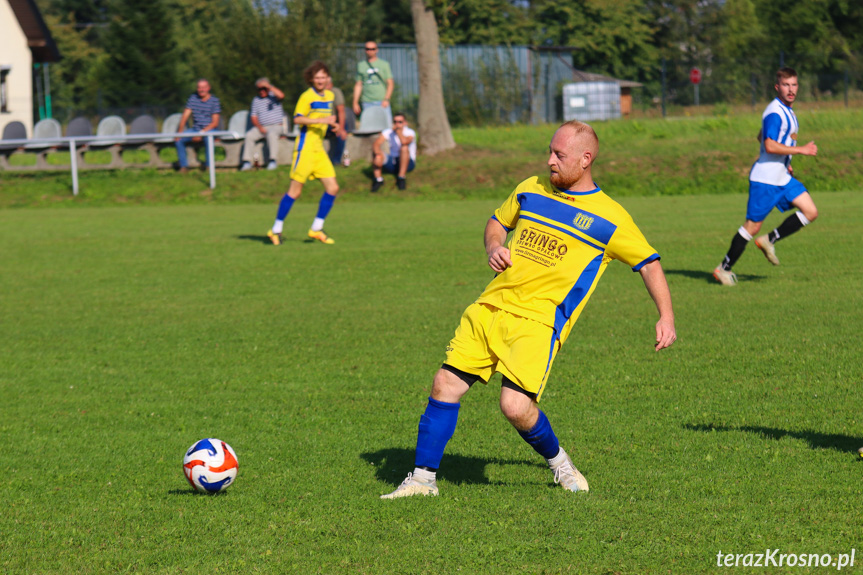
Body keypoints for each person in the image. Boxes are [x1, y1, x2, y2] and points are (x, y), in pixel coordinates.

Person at [381, 120, 677, 499]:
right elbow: (496, 222)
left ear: (586, 160)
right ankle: (422, 481)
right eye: (549, 151)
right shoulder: (530, 188)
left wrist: (665, 316)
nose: (549, 160)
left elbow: (649, 264)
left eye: (559, 155)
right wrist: (493, 247)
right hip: (491, 306)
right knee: (445, 384)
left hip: (538, 322)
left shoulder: (611, 218)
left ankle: (559, 463)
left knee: (516, 407)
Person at [713, 67, 819, 286]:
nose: (791, 90)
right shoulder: (775, 112)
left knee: (810, 211)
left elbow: (761, 136)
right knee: (752, 226)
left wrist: (786, 162)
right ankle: (723, 268)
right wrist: (801, 150)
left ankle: (769, 240)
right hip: (765, 180)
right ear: (777, 87)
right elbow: (769, 144)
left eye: (794, 85)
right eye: (786, 85)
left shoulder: (787, 111)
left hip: (782, 176)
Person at [267, 61, 339, 246]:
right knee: (295, 191)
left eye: (323, 77)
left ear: (328, 78)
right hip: (305, 149)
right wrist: (323, 119)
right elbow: (298, 119)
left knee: (333, 188)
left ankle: (316, 228)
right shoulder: (306, 96)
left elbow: (323, 120)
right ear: (311, 79)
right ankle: (275, 230)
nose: (320, 80)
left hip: (319, 149)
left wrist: (333, 125)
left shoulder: (330, 96)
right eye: (317, 77)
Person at [175, 79, 221, 173]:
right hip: (195, 129)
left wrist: (201, 133)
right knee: (179, 140)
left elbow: (215, 123)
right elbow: (185, 116)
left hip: (209, 130)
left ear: (208, 88)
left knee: (208, 139)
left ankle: (209, 166)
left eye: (203, 87)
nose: (201, 90)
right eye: (199, 87)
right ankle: (184, 166)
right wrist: (179, 132)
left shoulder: (214, 101)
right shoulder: (193, 98)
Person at [241, 78, 285, 171]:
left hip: (276, 126)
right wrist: (260, 127)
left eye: (263, 88)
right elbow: (254, 116)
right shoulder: (256, 100)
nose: (261, 91)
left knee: (271, 134)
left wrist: (268, 86)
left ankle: (273, 160)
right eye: (259, 89)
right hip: (261, 127)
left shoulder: (274, 96)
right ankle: (247, 162)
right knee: (249, 135)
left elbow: (281, 95)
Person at [371, 113, 416, 192]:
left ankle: (401, 178)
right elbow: (376, 144)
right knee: (376, 151)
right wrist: (378, 155)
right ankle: (378, 180)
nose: (397, 124)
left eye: (400, 122)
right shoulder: (388, 132)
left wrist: (398, 132)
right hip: (392, 162)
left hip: (408, 163)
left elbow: (404, 141)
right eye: (395, 122)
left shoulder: (410, 132)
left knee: (404, 148)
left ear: (405, 123)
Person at [352, 41, 394, 126]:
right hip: (367, 101)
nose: (370, 51)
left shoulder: (384, 64)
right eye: (368, 49)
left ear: (376, 50)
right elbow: (358, 85)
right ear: (365, 50)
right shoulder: (361, 65)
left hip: (381, 101)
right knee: (369, 127)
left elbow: (390, 83)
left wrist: (386, 99)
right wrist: (355, 102)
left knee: (386, 128)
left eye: (372, 49)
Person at [324, 77, 348, 167]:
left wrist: (341, 129)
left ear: (331, 85)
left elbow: (341, 111)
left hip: (335, 122)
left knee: (341, 136)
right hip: (322, 123)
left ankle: (336, 161)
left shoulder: (336, 92)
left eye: (327, 84)